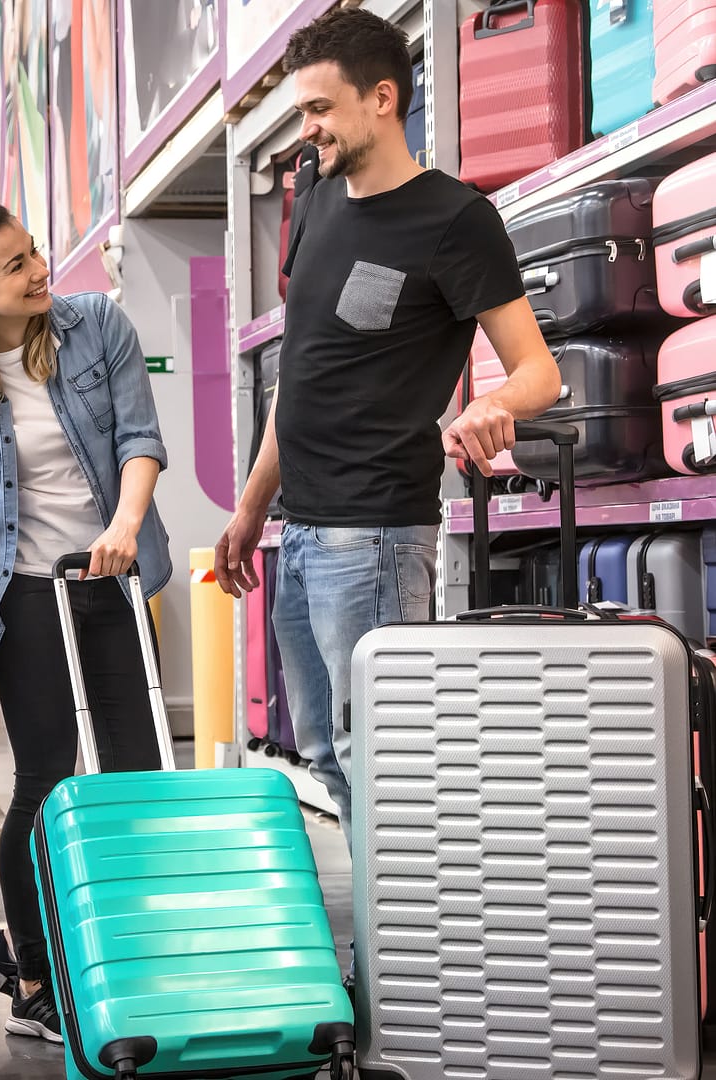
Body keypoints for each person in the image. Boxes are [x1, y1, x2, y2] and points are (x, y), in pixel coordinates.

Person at [215, 10, 561, 850]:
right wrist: (253, 506)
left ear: (381, 98)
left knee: (386, 765)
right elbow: (301, 372)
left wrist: (491, 405)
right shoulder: (319, 202)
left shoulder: (453, 220)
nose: (307, 131)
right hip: (299, 534)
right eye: (301, 113)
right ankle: (384, 953)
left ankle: (408, 966)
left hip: (373, 537)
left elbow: (538, 373)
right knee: (329, 762)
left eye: (320, 110)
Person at [0, 202, 171, 1043]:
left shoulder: (94, 324)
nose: (38, 270)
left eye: (33, 251)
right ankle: (30, 975)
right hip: (22, 595)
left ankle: (133, 957)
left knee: (136, 778)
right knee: (47, 778)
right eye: (14, 265)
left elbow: (139, 435)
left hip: (113, 575)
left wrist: (126, 524)